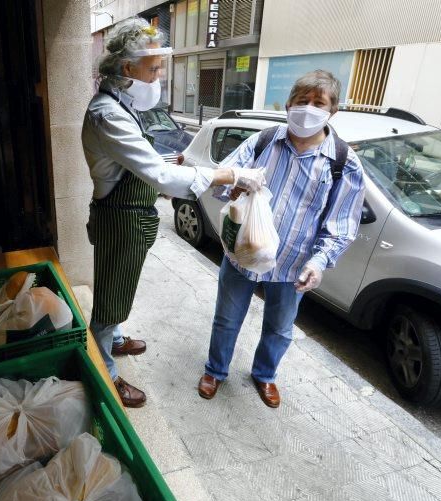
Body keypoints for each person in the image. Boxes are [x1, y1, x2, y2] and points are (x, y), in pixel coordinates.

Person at [82, 18, 265, 408]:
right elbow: (160, 176)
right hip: (120, 218)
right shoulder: (108, 114)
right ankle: (105, 374)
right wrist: (229, 173)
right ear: (128, 68)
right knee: (111, 297)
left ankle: (114, 339)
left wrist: (171, 163)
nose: (160, 75)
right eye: (154, 68)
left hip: (131, 214)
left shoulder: (121, 103)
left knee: (120, 286)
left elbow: (140, 163)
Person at [197, 69, 366, 408]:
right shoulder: (262, 142)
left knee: (280, 328)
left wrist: (319, 263)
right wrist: (234, 188)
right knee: (227, 318)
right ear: (289, 105)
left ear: (332, 112)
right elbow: (222, 181)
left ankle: (265, 375)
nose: (308, 109)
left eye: (318, 103)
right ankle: (216, 369)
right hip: (242, 256)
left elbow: (341, 225)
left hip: (293, 265)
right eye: (302, 101)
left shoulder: (344, 164)